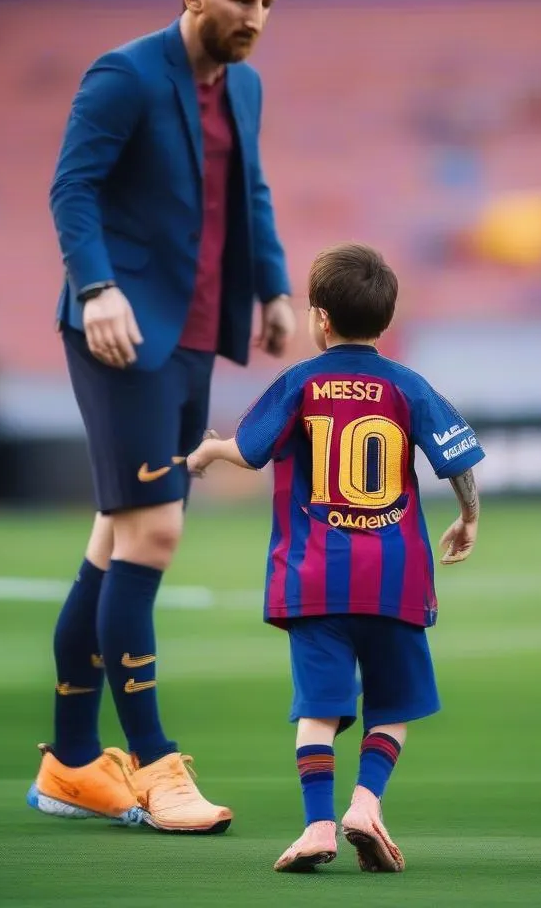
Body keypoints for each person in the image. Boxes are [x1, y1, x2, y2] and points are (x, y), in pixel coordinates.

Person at [26, 0, 296, 835]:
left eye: (266, 2)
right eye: (239, 0)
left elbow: (248, 191)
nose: (255, 17)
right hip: (119, 336)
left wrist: (274, 285)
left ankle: (68, 763)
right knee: (155, 536)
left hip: (189, 341)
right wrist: (95, 288)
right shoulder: (125, 75)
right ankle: (154, 764)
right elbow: (73, 189)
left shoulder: (245, 87)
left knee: (114, 539)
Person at [186, 243, 484, 872]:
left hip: (315, 578)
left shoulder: (301, 381)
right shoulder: (408, 384)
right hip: (396, 578)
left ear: (319, 316)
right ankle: (366, 804)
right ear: (388, 317)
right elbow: (456, 459)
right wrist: (469, 516)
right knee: (395, 706)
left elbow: (251, 449)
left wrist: (210, 452)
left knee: (318, 710)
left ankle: (318, 826)